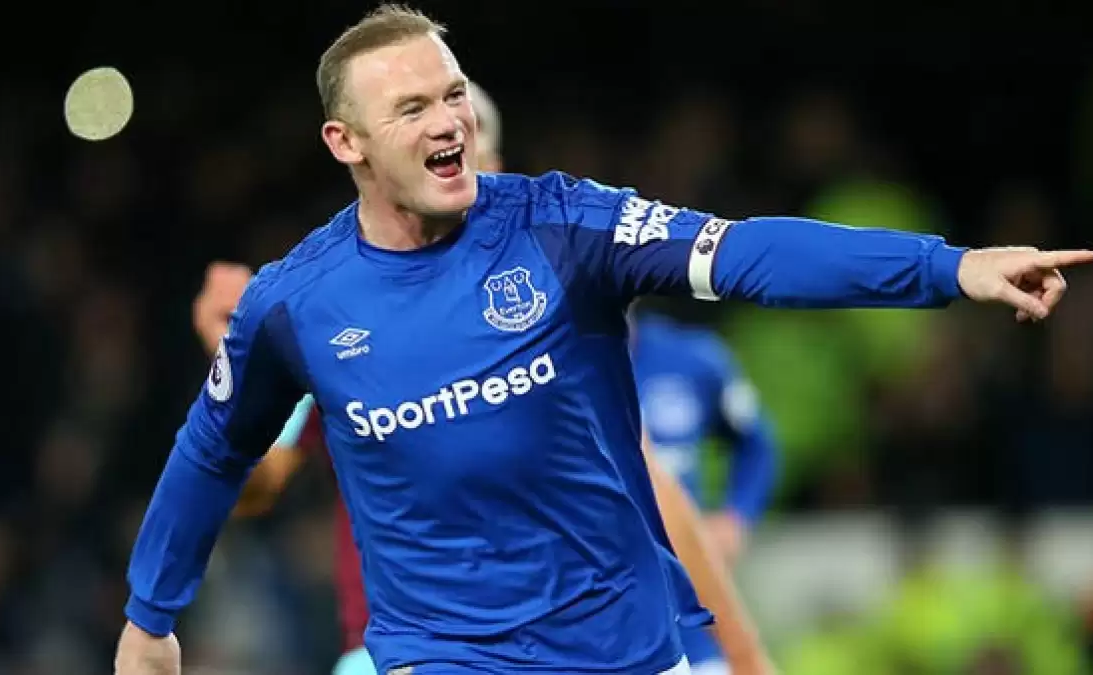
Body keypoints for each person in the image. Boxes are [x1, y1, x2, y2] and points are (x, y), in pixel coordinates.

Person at [115, 5, 1093, 675]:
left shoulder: (563, 225)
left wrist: (948, 268)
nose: (449, 120)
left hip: (625, 646)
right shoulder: (298, 304)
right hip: (440, 654)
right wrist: (149, 616)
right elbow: (215, 452)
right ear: (348, 143)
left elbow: (745, 251)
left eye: (452, 94)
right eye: (411, 108)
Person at [193, 82, 766, 675]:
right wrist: (235, 365)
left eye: (463, 150)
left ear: (494, 169)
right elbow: (255, 487)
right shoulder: (336, 321)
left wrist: (746, 659)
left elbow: (654, 491)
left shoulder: (547, 322)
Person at [630, 306, 778, 675]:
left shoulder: (693, 359)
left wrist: (736, 515)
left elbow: (757, 443)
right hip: (610, 612)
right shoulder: (545, 375)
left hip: (693, 608)